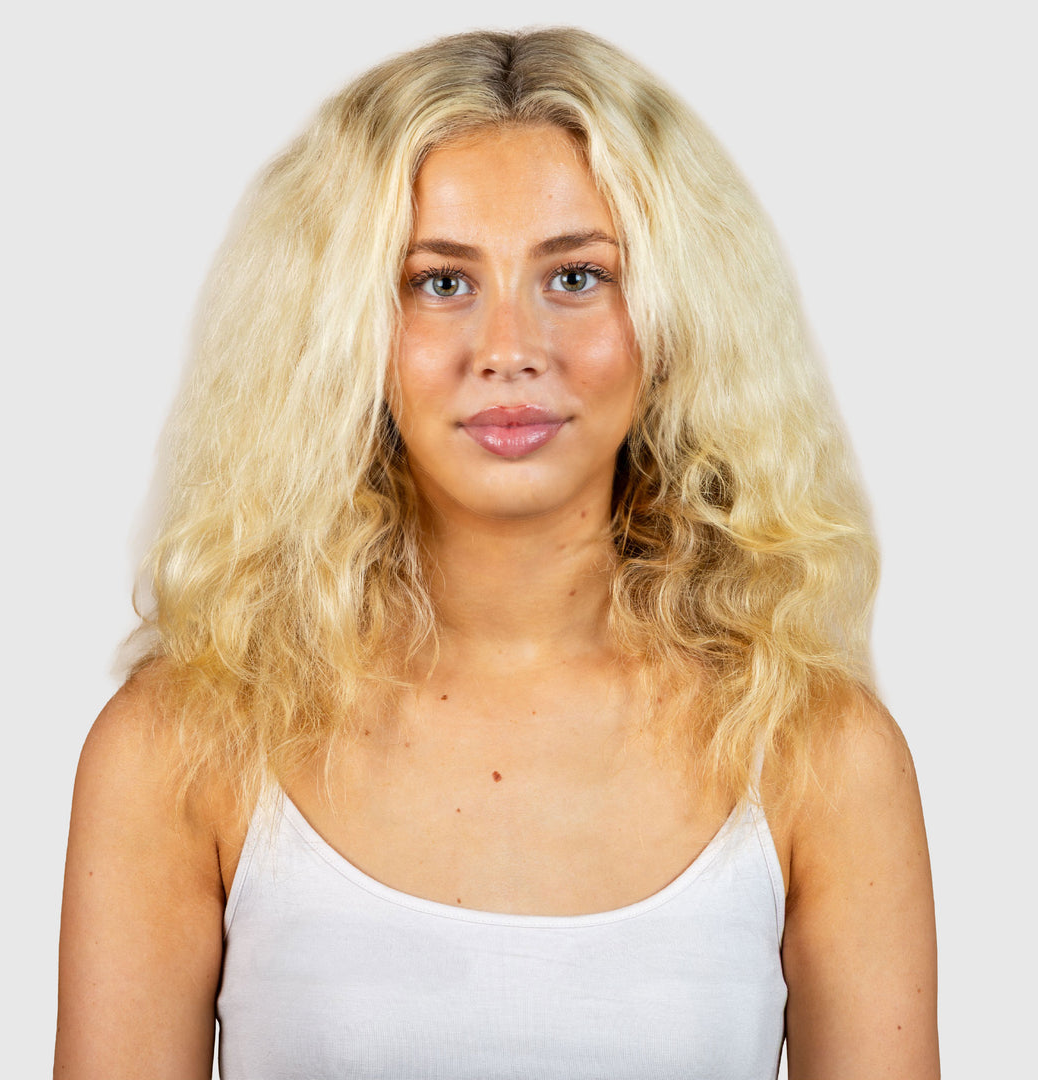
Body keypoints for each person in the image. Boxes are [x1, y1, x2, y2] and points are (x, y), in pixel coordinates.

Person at [54, 26, 938, 1080]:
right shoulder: (181, 746)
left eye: (576, 277)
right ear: (346, 332)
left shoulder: (817, 754)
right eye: (440, 282)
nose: (510, 349)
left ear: (674, 320)